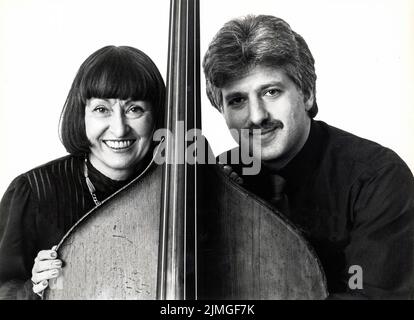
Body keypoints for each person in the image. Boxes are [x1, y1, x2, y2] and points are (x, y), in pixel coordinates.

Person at [202, 15, 414, 299]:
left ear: (307, 94)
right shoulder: (218, 177)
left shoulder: (377, 177)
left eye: (271, 92)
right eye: (237, 100)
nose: (256, 116)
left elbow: (371, 295)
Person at [0, 45, 166, 299]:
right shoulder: (33, 191)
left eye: (135, 109)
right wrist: (34, 287)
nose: (119, 129)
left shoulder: (178, 187)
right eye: (102, 109)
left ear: (156, 117)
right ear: (82, 115)